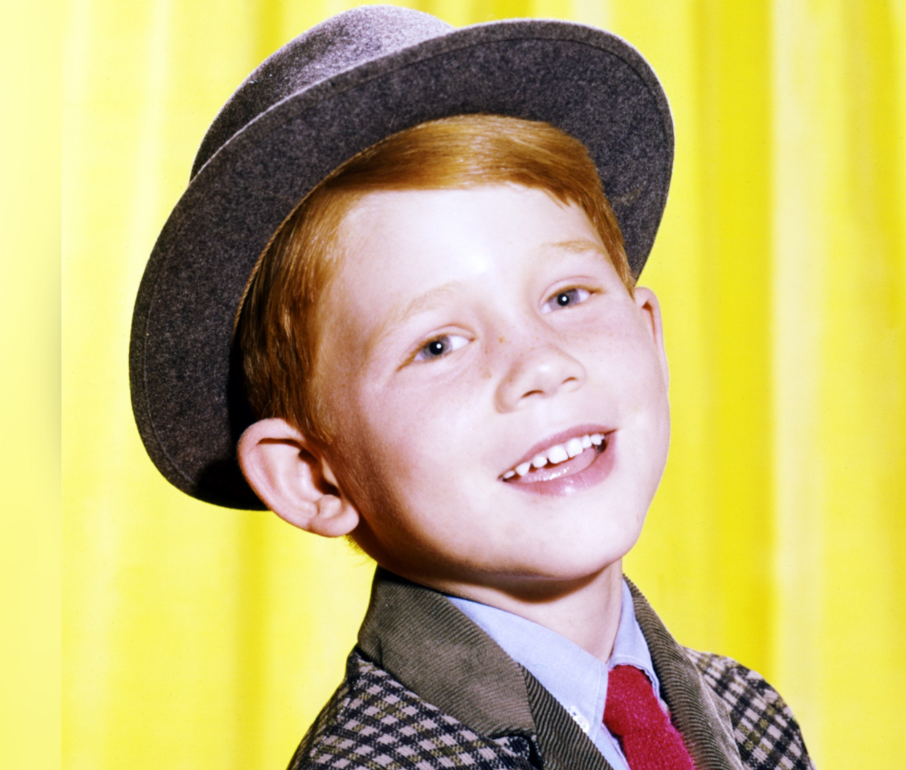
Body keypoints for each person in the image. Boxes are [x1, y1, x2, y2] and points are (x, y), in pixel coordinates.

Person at [130, 6, 815, 769]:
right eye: (438, 345)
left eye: (566, 297)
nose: (540, 365)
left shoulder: (751, 718)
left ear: (650, 335)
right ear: (312, 474)